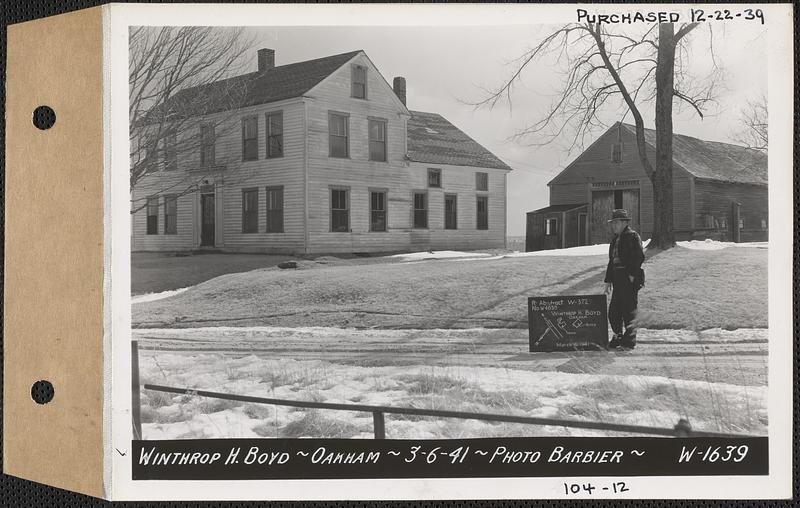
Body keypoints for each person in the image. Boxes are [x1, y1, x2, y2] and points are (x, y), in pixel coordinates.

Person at [603, 209, 645, 350]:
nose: (613, 226)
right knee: (614, 311)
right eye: (612, 223)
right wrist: (608, 281)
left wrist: (631, 275)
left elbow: (638, 256)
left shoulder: (632, 236)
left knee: (629, 310)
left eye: (616, 223)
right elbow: (611, 262)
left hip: (628, 277)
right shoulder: (615, 239)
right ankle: (618, 336)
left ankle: (629, 341)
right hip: (617, 278)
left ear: (623, 223)